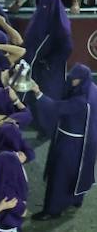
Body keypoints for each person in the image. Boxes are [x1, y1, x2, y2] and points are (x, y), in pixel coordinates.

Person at [33, 66, 97, 220]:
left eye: (75, 79)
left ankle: (52, 210)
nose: (72, 81)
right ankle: (76, 199)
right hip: (86, 142)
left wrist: (38, 93)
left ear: (82, 79)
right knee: (76, 173)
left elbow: (56, 107)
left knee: (59, 175)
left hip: (69, 142)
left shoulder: (80, 101)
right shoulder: (92, 89)